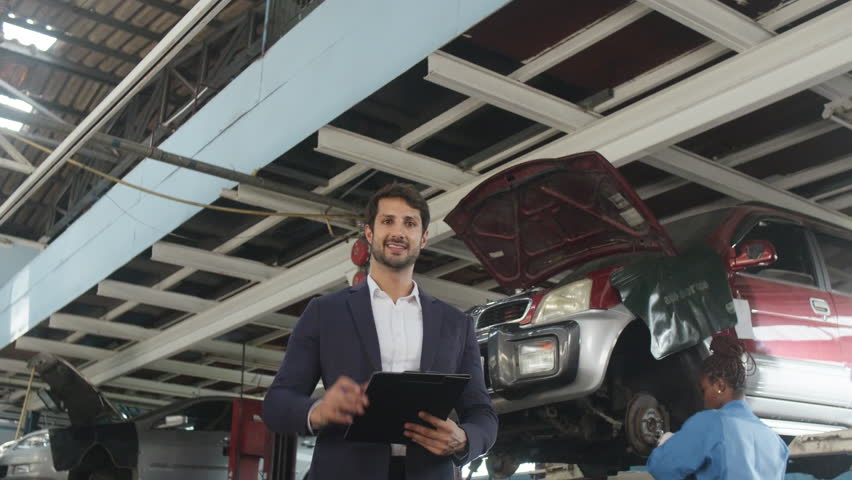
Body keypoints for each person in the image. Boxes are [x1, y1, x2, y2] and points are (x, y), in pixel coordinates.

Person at [262, 183, 497, 480]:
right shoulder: (325, 312)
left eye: (409, 223)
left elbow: (482, 413)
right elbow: (276, 403)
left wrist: (465, 439)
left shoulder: (456, 324)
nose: (398, 232)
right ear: (369, 233)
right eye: (388, 221)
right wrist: (317, 411)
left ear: (423, 238)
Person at [646, 336, 789, 480]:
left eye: (704, 390)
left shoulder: (710, 423)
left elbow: (661, 468)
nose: (703, 400)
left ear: (720, 385)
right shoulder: (776, 442)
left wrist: (666, 444)